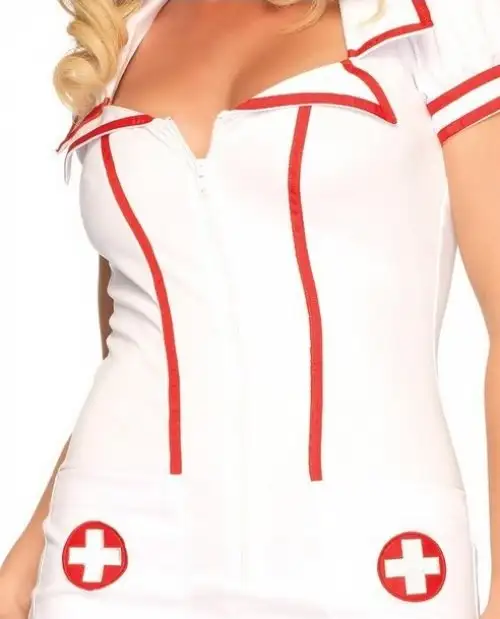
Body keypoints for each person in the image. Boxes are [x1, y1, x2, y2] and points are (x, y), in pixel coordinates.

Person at [2, 0, 500, 616]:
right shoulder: (125, 37)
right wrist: (27, 557)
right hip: (112, 546)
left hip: (372, 549)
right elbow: (137, 336)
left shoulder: (424, 18)